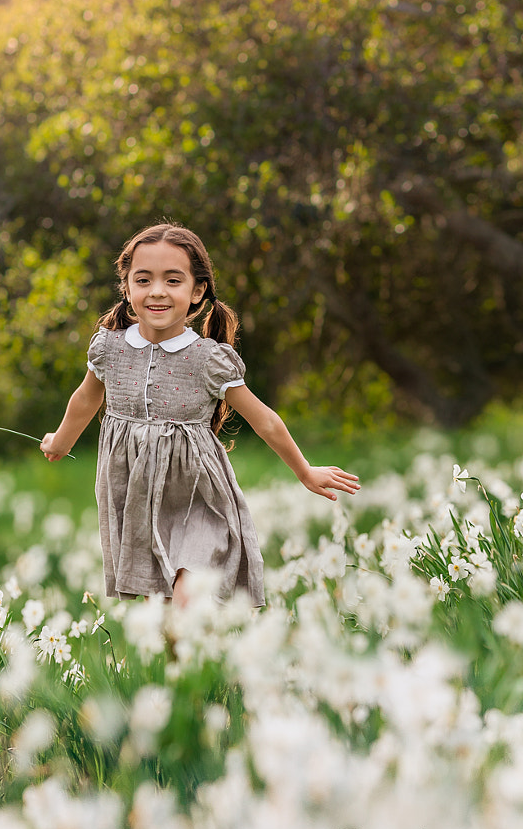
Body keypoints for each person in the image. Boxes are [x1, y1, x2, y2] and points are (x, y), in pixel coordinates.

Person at [40, 221, 359, 608]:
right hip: (135, 496)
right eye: (144, 280)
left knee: (187, 602)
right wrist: (60, 440)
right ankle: (185, 668)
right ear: (127, 288)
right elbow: (86, 399)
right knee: (158, 615)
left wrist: (305, 471)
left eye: (173, 280)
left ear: (197, 291)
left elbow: (265, 420)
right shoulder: (110, 348)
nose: (157, 291)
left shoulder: (208, 359)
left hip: (198, 496)